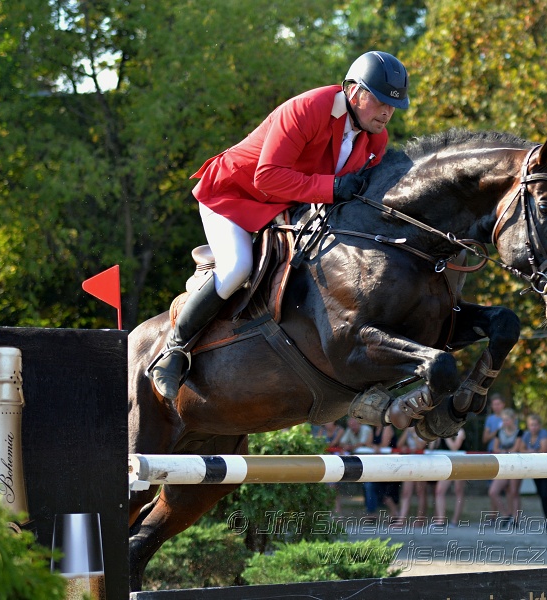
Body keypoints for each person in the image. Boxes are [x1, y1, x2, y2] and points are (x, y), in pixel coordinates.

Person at [148, 51, 410, 400]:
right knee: (238, 266)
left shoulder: (376, 140)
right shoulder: (308, 109)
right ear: (352, 91)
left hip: (285, 207)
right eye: (379, 101)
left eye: (393, 105)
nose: (387, 112)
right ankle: (174, 351)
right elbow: (267, 176)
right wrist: (330, 188)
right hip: (232, 194)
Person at [487, 409, 523, 522]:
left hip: (516, 464)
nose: (505, 422)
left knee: (513, 492)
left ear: (513, 419)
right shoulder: (499, 432)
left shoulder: (519, 432)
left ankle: (515, 519)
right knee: (493, 491)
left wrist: (504, 451)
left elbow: (516, 448)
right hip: (504, 465)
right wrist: (505, 451)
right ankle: (506, 514)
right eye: (503, 420)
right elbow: (495, 447)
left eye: (507, 419)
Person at [521, 414, 547, 529]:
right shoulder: (526, 435)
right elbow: (521, 449)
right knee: (542, 494)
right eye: (531, 425)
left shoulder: (544, 433)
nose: (533, 427)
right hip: (535, 469)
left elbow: (544, 450)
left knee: (546, 494)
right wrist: (533, 451)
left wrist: (529, 451)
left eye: (535, 425)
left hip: (546, 468)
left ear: (539, 425)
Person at [433, 428, 467, 525]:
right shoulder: (442, 431)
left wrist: (445, 435)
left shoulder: (461, 432)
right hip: (447, 464)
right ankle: (441, 520)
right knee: (439, 491)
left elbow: (454, 447)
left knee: (458, 490)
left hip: (460, 463)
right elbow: (432, 448)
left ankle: (455, 520)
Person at [397, 427, 429, 522]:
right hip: (410, 462)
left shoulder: (424, 430)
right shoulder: (409, 430)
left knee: (420, 491)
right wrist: (407, 433)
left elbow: (420, 446)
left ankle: (420, 519)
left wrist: (414, 435)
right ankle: (401, 520)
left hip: (422, 462)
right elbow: (399, 444)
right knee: (406, 492)